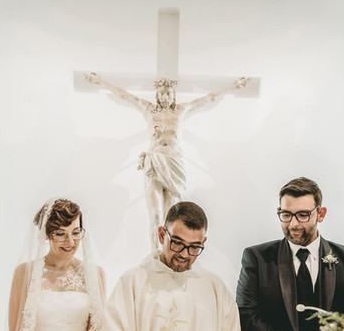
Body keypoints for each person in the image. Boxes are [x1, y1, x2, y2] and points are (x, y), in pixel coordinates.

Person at [79, 201, 245, 331]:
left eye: (194, 247)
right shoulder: (134, 281)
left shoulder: (214, 288)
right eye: (177, 243)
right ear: (161, 235)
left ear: (203, 242)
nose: (184, 254)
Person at [84, 72, 250, 248]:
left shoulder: (181, 111)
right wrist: (100, 81)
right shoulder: (148, 110)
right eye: (161, 93)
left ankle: (168, 252)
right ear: (157, 95)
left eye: (168, 93)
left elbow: (209, 99)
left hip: (173, 163)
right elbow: (125, 95)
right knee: (154, 214)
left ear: (173, 95)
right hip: (154, 161)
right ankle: (155, 254)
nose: (164, 96)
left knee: (171, 215)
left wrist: (233, 86)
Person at [236, 177, 344, 331]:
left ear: (320, 214)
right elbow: (247, 316)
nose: (294, 224)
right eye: (286, 215)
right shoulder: (256, 258)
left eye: (303, 215)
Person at [5, 199, 106, 331]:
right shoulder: (24, 273)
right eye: (61, 234)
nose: (70, 242)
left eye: (76, 232)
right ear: (46, 235)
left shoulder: (94, 274)